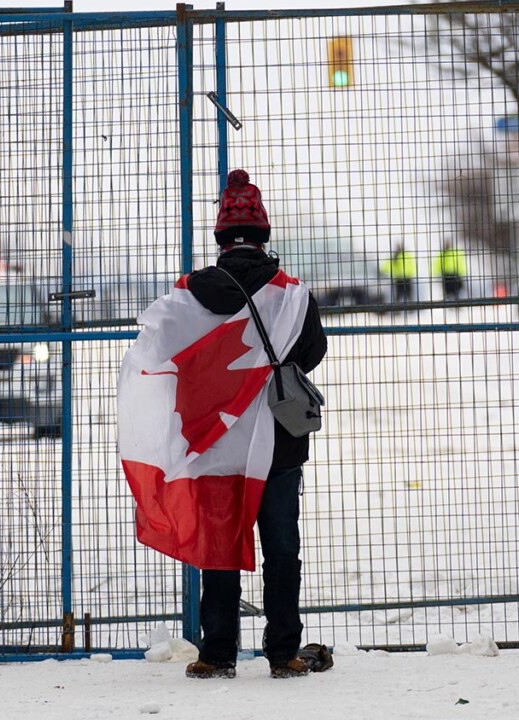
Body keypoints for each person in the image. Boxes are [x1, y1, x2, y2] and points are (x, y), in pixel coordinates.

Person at [179, 169, 329, 680]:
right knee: (282, 548)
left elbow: (171, 356)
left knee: (218, 545)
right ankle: (284, 652)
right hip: (280, 445)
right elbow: (312, 354)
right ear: (264, 236)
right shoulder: (291, 294)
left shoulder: (192, 294)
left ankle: (216, 653)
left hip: (218, 442)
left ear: (221, 238)